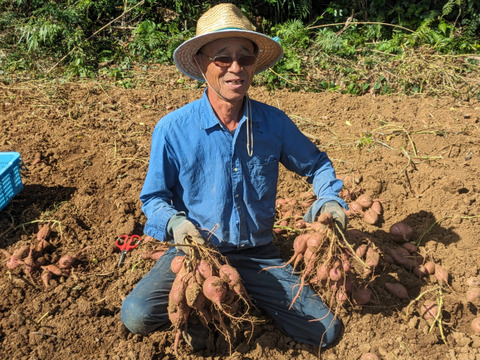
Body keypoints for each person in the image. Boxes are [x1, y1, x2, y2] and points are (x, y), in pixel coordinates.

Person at [121, 2, 347, 351]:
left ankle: (240, 298)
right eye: (222, 58)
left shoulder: (274, 124)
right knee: (135, 316)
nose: (235, 68)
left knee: (325, 332)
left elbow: (316, 164)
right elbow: (153, 197)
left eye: (245, 57)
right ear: (200, 63)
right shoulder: (173, 129)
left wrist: (329, 197)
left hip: (257, 254)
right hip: (196, 251)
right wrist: (176, 225)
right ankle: (217, 303)